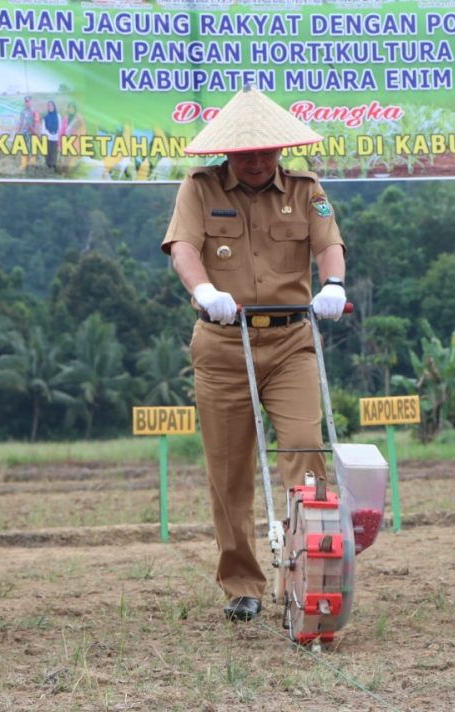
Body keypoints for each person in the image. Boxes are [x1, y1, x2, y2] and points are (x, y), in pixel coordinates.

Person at [160, 86, 347, 622]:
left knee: (307, 449)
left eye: (267, 152)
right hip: (223, 342)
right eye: (246, 154)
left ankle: (309, 567)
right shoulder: (198, 189)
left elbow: (328, 241)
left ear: (281, 149)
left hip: (291, 340)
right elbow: (184, 249)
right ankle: (242, 583)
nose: (258, 162)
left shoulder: (307, 188)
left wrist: (332, 283)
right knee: (229, 471)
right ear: (227, 152)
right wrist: (203, 292)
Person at [60, 102, 86, 174]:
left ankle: (68, 172)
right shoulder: (66, 118)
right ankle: (63, 172)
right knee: (64, 157)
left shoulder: (79, 118)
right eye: (69, 108)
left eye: (72, 108)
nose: (71, 109)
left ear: (75, 109)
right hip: (66, 139)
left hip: (75, 141)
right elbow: (62, 129)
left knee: (72, 158)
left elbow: (83, 130)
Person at [15, 95, 37, 170]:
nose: (27, 103)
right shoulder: (22, 111)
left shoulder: (34, 111)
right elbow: (20, 122)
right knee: (24, 149)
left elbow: (37, 123)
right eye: (26, 102)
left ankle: (31, 164)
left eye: (28, 101)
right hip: (24, 133)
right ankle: (23, 165)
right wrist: (17, 132)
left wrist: (36, 132)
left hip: (32, 133)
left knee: (32, 149)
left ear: (31, 102)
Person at [42, 99, 60, 172]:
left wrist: (58, 136)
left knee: (54, 152)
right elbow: (43, 128)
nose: (50, 107)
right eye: (48, 106)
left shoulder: (58, 116)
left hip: (56, 137)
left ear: (54, 106)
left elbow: (60, 126)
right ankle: (48, 166)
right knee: (48, 153)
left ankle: (53, 166)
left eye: (51, 105)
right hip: (48, 136)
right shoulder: (46, 117)